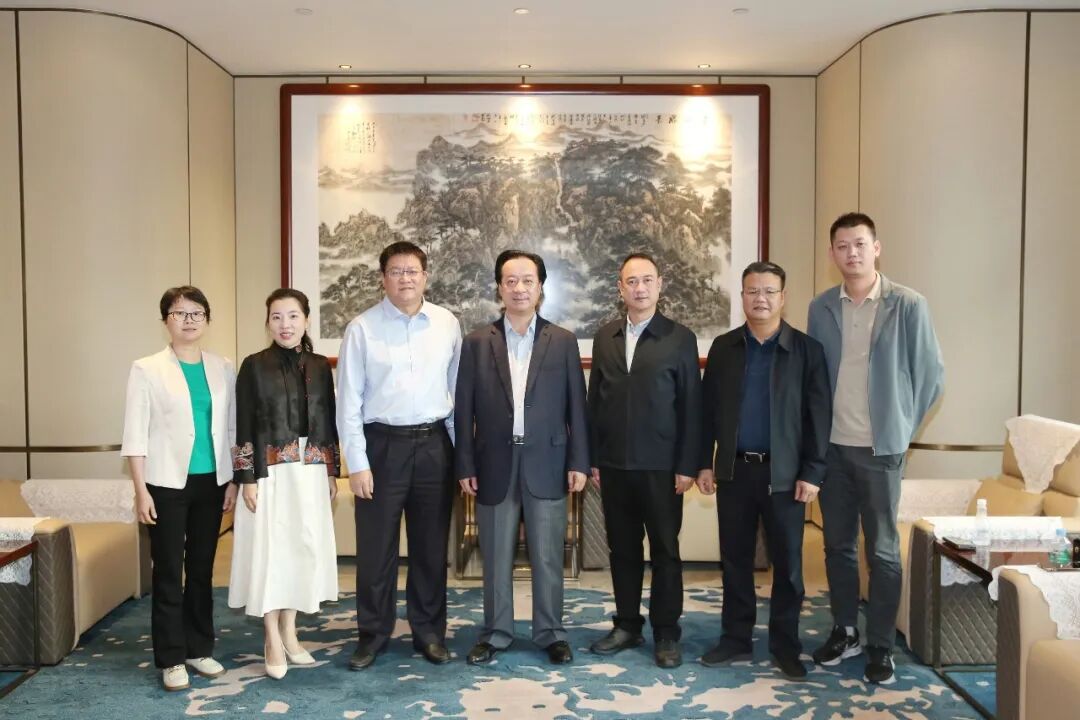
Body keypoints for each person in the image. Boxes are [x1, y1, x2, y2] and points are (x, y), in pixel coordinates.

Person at [807, 212, 944, 685]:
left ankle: (881, 645)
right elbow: (814, 378)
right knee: (837, 546)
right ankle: (845, 630)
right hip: (832, 448)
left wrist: (899, 429)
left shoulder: (908, 304)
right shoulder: (821, 307)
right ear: (832, 253)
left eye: (860, 244)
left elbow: (931, 376)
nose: (852, 253)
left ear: (876, 248)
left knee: (883, 550)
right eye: (843, 246)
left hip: (881, 451)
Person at [696, 261, 831, 679]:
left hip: (786, 476)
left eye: (769, 291)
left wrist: (813, 471)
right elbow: (707, 411)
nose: (761, 299)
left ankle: (785, 645)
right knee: (735, 560)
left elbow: (819, 417)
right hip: (735, 472)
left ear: (783, 297)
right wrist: (703, 462)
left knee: (788, 565)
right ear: (742, 296)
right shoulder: (724, 348)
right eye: (753, 291)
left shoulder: (807, 351)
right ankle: (735, 638)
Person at [455, 249, 589, 666]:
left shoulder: (562, 341)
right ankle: (496, 632)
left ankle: (551, 633)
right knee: (496, 556)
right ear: (499, 287)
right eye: (510, 281)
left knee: (548, 555)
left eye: (527, 280)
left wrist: (579, 462)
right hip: (493, 462)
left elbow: (577, 408)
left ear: (540, 288)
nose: (519, 288)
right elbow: (463, 409)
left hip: (548, 462)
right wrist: (465, 464)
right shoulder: (477, 342)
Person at [336, 241, 462, 670]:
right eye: (396, 271)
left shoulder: (446, 323)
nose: (405, 279)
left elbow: (456, 393)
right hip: (381, 447)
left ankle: (429, 633)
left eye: (412, 271)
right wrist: (357, 463)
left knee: (430, 548)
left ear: (426, 276)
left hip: (434, 445)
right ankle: (373, 635)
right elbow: (348, 402)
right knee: (376, 550)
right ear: (382, 279)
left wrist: (460, 456)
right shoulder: (362, 328)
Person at [586, 252, 701, 668]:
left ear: (659, 285)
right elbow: (595, 402)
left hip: (663, 468)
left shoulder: (679, 338)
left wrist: (688, 465)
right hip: (614, 466)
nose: (639, 288)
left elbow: (692, 406)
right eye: (631, 281)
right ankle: (627, 625)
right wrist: (593, 458)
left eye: (646, 280)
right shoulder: (606, 337)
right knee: (622, 550)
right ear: (620, 289)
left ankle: (666, 632)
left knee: (666, 551)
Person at [121, 286, 238, 691]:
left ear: (207, 319)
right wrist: (141, 491)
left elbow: (231, 429)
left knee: (202, 570)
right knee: (169, 571)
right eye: (179, 313)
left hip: (212, 482)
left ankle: (199, 648)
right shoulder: (147, 369)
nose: (189, 320)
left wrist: (232, 480)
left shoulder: (223, 367)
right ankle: (171, 658)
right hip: (166, 484)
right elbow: (135, 435)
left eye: (197, 313)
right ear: (165, 321)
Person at [228, 288, 340, 679]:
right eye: (276, 317)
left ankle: (290, 630)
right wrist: (246, 478)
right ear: (268, 323)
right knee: (272, 552)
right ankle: (270, 635)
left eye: (292, 316)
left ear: (306, 320)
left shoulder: (320, 366)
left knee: (300, 549)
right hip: (269, 472)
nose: (285, 325)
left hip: (310, 470)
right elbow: (242, 424)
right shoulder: (253, 366)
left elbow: (328, 421)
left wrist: (331, 470)